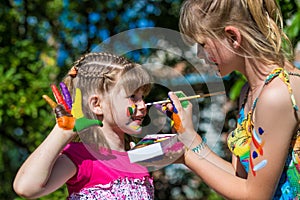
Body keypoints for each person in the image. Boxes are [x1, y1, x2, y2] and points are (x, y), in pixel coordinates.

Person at [166, 0, 300, 199]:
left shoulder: (277, 94)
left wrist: (187, 157)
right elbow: (242, 180)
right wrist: (190, 138)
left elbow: (255, 195)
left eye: (202, 44)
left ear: (232, 37)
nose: (199, 55)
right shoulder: (250, 92)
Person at [13, 52, 155, 199]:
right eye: (133, 96)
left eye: (142, 97)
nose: (143, 105)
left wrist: (181, 128)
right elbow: (26, 188)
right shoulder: (82, 156)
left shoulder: (138, 157)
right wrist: (63, 132)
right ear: (97, 104)